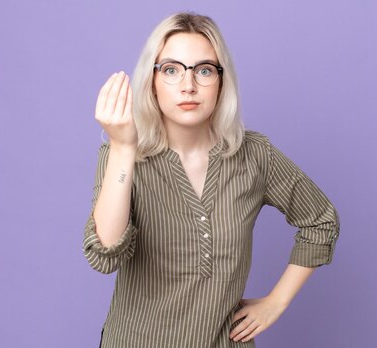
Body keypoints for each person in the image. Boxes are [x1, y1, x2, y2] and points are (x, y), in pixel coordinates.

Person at [83, 12, 340, 347]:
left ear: (221, 81)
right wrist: (122, 146)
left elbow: (321, 221)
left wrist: (276, 302)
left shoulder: (253, 155)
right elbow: (104, 256)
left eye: (204, 70)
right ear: (152, 80)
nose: (188, 85)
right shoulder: (123, 156)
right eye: (172, 70)